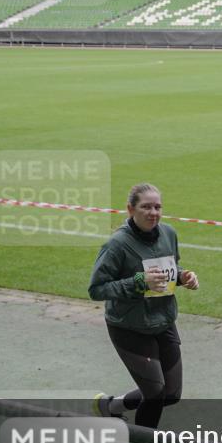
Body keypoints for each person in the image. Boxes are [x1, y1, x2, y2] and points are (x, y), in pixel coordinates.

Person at [89, 183, 199, 428]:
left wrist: (183, 277)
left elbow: (170, 269)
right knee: (155, 394)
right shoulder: (116, 245)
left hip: (163, 321)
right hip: (129, 326)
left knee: (171, 394)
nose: (153, 212)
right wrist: (139, 281)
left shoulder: (169, 233)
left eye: (157, 207)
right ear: (130, 209)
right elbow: (96, 289)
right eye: (146, 207)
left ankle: (110, 406)